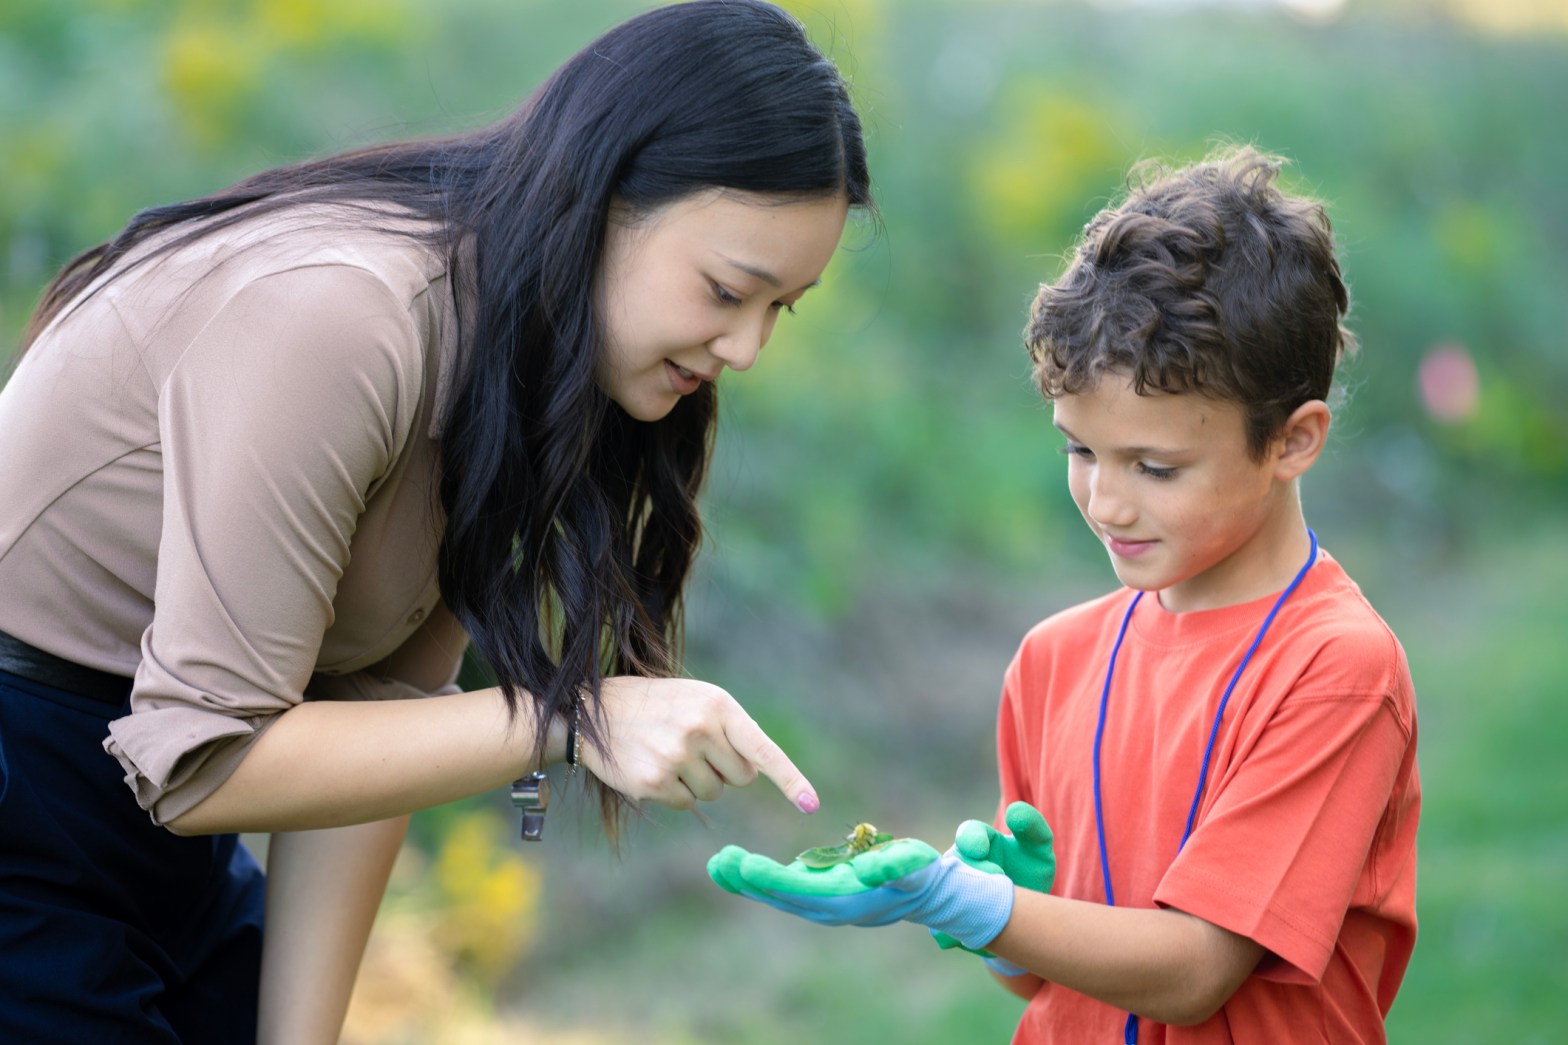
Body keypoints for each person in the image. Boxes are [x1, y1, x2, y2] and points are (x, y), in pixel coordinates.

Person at [0, 2, 872, 1042]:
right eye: (729, 291)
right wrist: (571, 714)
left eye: (782, 308)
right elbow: (207, 759)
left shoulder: (533, 362)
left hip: (140, 814)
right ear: (603, 196)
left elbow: (384, 712)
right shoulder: (341, 319)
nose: (746, 350)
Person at [709, 145, 1420, 1044]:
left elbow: (1197, 970)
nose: (1106, 500)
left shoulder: (1334, 670)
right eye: (1080, 450)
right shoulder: (1056, 660)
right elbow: (1055, 981)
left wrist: (964, 898)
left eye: (1156, 466)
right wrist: (1007, 931)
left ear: (1293, 440)